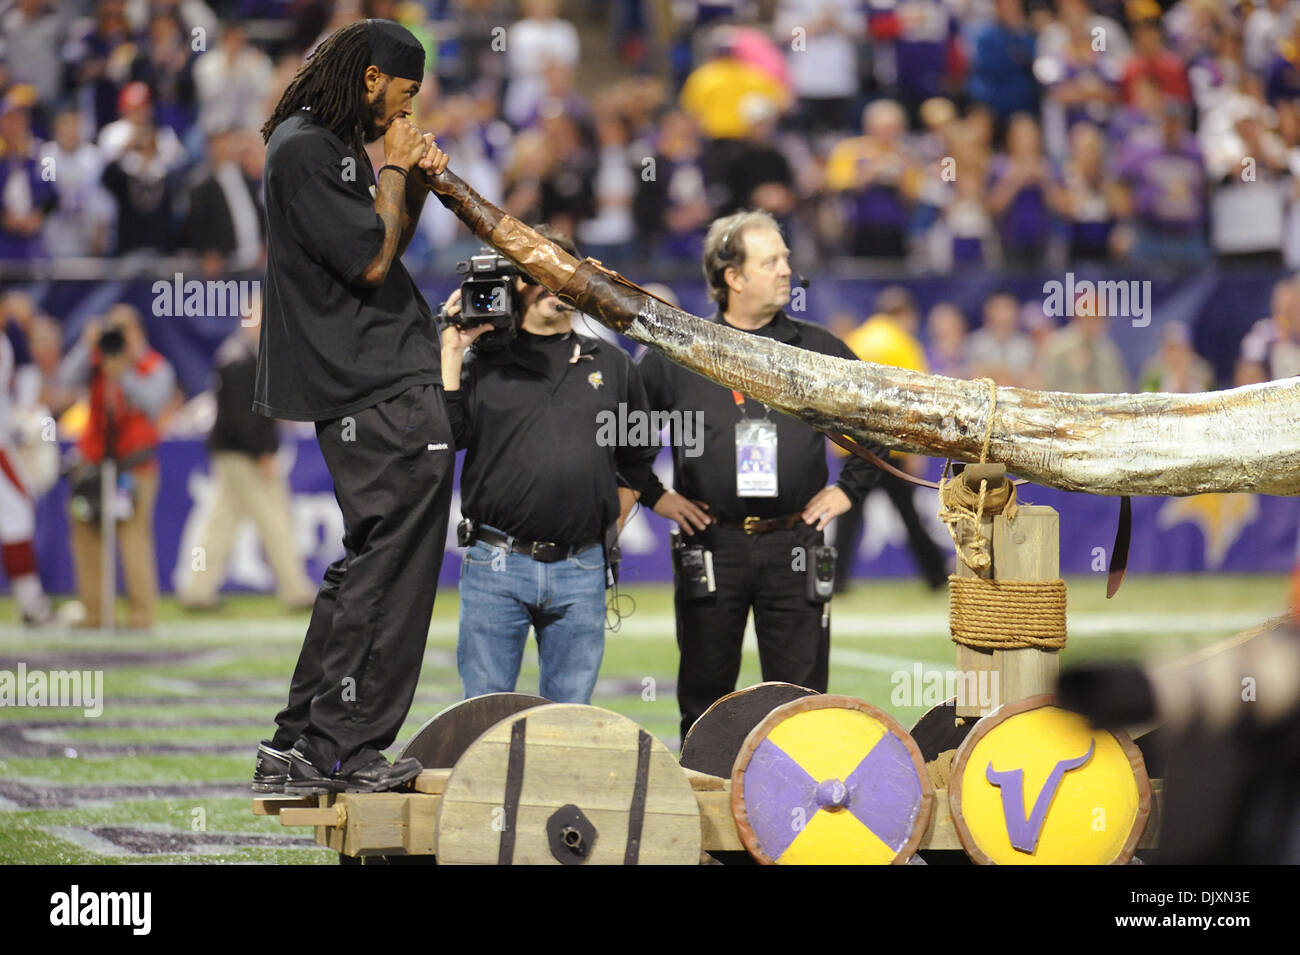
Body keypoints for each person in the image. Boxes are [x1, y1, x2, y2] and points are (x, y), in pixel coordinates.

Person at [252, 19, 453, 796]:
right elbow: (374, 262)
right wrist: (396, 168)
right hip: (380, 389)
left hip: (371, 388)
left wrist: (416, 178)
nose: (404, 111)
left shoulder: (319, 145)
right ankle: (345, 747)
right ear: (371, 79)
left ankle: (299, 743)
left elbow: (382, 239)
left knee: (365, 567)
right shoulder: (308, 147)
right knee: (393, 575)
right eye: (404, 93)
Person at [635, 210, 883, 742]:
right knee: (704, 696)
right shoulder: (682, 352)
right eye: (771, 261)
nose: (786, 270)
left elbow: (879, 422)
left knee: (801, 700)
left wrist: (849, 489)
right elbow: (624, 432)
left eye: (786, 258)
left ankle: (798, 812)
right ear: (734, 277)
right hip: (710, 541)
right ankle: (705, 807)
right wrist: (656, 496)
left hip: (795, 540)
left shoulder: (818, 349)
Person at [439, 226, 656, 703]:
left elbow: (638, 458)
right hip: (496, 560)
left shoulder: (614, 365)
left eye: (563, 273)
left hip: (581, 564)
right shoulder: (482, 362)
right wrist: (453, 350)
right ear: (515, 283)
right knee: (484, 716)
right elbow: (445, 440)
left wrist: (607, 529)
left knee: (571, 722)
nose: (553, 286)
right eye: (540, 274)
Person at [178, 308, 316, 612]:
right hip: (245, 457)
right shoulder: (242, 359)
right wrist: (262, 453)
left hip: (233, 454)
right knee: (275, 520)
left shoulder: (235, 354)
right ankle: (296, 591)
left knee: (219, 524)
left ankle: (196, 591)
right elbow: (244, 418)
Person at [58, 304, 175, 630]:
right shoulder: (96, 358)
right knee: (86, 535)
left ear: (138, 334)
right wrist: (86, 344)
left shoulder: (154, 366)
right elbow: (64, 381)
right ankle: (94, 613)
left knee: (133, 538)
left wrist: (125, 370)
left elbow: (154, 403)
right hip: (93, 465)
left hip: (135, 468)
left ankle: (140, 616)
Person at [0, 297, 54, 626]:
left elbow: (27, 376)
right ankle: (31, 601)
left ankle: (31, 601)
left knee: (18, 511)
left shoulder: (10, 337)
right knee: (18, 511)